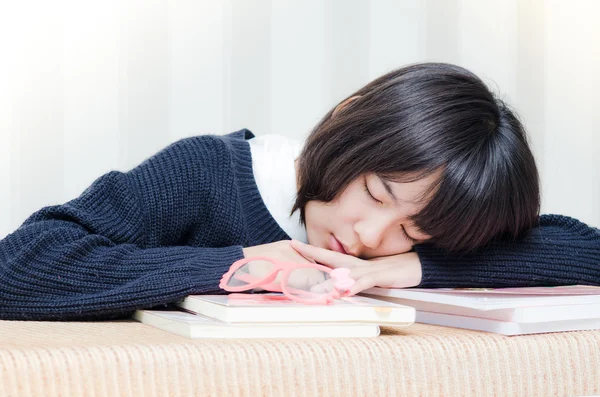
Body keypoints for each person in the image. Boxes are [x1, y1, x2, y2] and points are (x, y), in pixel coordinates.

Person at [0, 62, 598, 321]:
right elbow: (20, 266)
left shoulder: (392, 252)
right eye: (376, 192)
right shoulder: (207, 173)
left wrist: (412, 266)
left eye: (412, 230)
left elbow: (584, 251)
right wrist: (244, 266)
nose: (368, 237)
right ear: (347, 116)